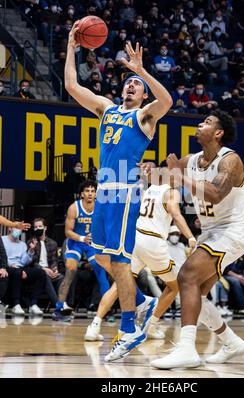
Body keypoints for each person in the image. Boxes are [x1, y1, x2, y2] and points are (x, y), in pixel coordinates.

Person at [65, 21, 172, 362]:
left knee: (121, 262)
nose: (130, 87)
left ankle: (129, 328)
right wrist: (71, 45)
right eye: (128, 82)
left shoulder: (144, 117)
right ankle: (142, 302)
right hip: (105, 188)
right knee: (99, 256)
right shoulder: (106, 109)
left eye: (137, 85)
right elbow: (71, 85)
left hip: (124, 190)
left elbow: (167, 100)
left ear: (143, 96)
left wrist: (142, 70)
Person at [149, 110, 244, 369]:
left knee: (186, 276)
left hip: (234, 229)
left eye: (207, 122)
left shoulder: (230, 160)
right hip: (211, 232)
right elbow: (164, 176)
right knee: (197, 292)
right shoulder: (192, 160)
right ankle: (231, 342)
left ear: (218, 133)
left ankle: (186, 349)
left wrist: (180, 175)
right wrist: (147, 172)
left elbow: (215, 194)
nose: (200, 124)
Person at [85, 163, 196, 341]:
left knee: (120, 284)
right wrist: (190, 237)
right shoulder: (171, 191)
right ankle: (151, 324)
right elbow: (176, 214)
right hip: (153, 242)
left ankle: (94, 326)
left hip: (135, 240)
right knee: (176, 285)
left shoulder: (149, 189)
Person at [52, 181, 110, 321]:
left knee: (100, 270)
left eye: (92, 191)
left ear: (96, 193)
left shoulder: (100, 207)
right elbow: (67, 232)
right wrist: (82, 238)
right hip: (76, 242)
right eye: (87, 191)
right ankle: (59, 308)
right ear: (82, 194)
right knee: (71, 270)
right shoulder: (74, 207)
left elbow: (105, 228)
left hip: (91, 243)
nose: (90, 193)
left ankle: (106, 311)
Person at [2, 226, 46, 315]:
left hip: (20, 267)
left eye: (20, 229)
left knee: (41, 273)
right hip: (6, 266)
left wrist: (30, 250)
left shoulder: (22, 244)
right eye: (16, 227)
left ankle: (33, 304)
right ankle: (16, 304)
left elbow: (24, 261)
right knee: (17, 272)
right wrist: (11, 264)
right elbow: (2, 256)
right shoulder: (2, 240)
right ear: (10, 228)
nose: (18, 230)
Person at [29, 218, 63, 308]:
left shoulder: (53, 243)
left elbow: (54, 260)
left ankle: (63, 303)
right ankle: (59, 307)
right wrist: (44, 269)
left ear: (45, 228)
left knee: (61, 277)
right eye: (36, 227)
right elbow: (31, 262)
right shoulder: (31, 242)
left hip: (49, 270)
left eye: (40, 226)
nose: (38, 229)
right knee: (44, 276)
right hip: (37, 272)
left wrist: (54, 269)